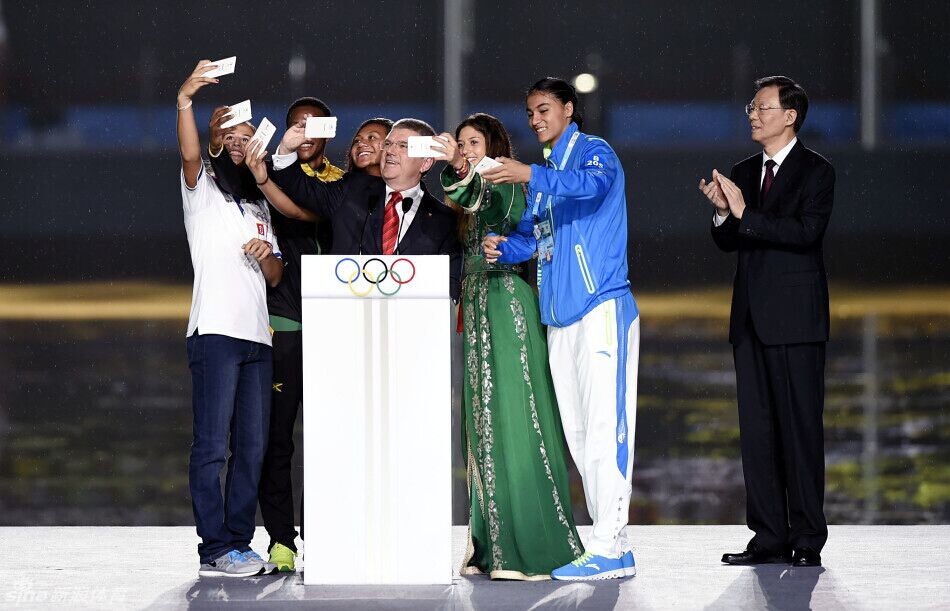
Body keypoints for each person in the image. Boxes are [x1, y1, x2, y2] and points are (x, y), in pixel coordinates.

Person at [481, 78, 639, 581]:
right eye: (529, 112)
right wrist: (502, 248)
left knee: (604, 432)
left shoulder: (595, 153)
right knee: (577, 434)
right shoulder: (545, 173)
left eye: (543, 109)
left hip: (600, 309)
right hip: (559, 317)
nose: (535, 119)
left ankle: (609, 544)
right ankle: (615, 545)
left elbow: (591, 188)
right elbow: (533, 238)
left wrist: (528, 174)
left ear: (569, 110)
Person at [433, 113, 582, 580]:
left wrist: (460, 165)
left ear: (495, 147)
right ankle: (491, 545)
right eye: (461, 144)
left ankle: (530, 548)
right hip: (478, 305)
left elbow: (490, 203)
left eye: (474, 143)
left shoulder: (509, 184)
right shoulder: (479, 187)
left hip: (506, 302)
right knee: (482, 423)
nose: (468, 150)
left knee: (514, 418)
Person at [700, 76, 834, 568]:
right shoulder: (741, 171)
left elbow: (805, 232)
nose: (753, 115)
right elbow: (730, 241)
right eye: (751, 107)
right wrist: (722, 214)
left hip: (797, 323)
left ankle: (806, 537)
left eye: (762, 107)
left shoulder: (816, 171)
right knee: (757, 433)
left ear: (790, 115)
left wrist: (745, 213)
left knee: (799, 431)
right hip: (751, 322)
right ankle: (768, 535)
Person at [209, 97, 345, 574]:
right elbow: (220, 175)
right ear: (282, 132)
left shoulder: (343, 184)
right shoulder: (260, 175)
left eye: (314, 127)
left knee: (332, 437)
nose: (304, 134)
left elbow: (312, 215)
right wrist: (230, 144)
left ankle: (328, 534)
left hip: (338, 325)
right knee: (275, 439)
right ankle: (281, 540)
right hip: (285, 322)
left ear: (328, 135)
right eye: (294, 127)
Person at [176, 60, 283, 578]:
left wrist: (265, 255)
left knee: (253, 448)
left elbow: (278, 275)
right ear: (216, 141)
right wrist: (186, 101)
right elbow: (190, 152)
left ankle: (239, 542)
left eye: (246, 137)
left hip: (256, 339)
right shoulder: (202, 191)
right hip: (215, 332)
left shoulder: (259, 202)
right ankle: (213, 546)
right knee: (213, 445)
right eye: (229, 136)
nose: (238, 144)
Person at [265, 117, 462, 299]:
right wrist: (286, 149)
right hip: (349, 319)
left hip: (410, 327)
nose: (391, 151)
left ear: (426, 162)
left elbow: (450, 287)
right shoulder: (351, 189)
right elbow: (301, 188)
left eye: (403, 146)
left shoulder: (443, 220)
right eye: (388, 144)